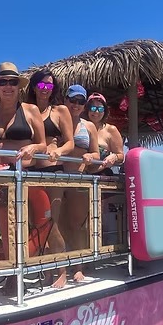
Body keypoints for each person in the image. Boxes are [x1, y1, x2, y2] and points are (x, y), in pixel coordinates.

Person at [0, 62, 47, 292]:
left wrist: (32, 148)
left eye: (13, 82)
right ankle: (11, 269)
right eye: (3, 82)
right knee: (3, 226)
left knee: (23, 225)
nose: (8, 86)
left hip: (25, 176)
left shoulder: (30, 110)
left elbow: (41, 143)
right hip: (0, 178)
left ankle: (22, 272)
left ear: (18, 86)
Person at [26, 69, 74, 288]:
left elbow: (70, 142)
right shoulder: (27, 110)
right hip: (32, 172)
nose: (46, 89)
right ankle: (46, 268)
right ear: (34, 87)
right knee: (37, 224)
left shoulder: (60, 110)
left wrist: (59, 152)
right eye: (42, 85)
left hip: (54, 171)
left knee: (52, 222)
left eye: (50, 86)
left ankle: (62, 270)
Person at [62, 84, 99, 282]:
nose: (76, 105)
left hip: (78, 178)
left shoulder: (89, 126)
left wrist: (89, 157)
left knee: (77, 225)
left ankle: (78, 267)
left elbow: (96, 152)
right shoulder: (56, 119)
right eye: (73, 100)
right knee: (57, 224)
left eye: (80, 102)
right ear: (65, 100)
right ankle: (59, 268)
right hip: (57, 178)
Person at [82, 93, 125, 174]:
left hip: (101, 174)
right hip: (78, 174)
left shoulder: (111, 130)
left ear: (105, 111)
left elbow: (121, 156)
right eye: (93, 108)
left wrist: (114, 157)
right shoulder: (80, 126)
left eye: (101, 109)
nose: (97, 112)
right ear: (87, 109)